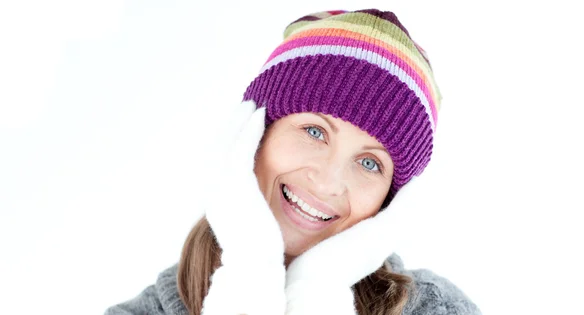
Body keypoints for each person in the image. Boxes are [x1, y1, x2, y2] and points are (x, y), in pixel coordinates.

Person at [105, 8, 482, 315]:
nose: (328, 182)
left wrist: (319, 293)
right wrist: (249, 277)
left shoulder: (438, 309)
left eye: (370, 163)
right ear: (251, 135)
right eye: (314, 132)